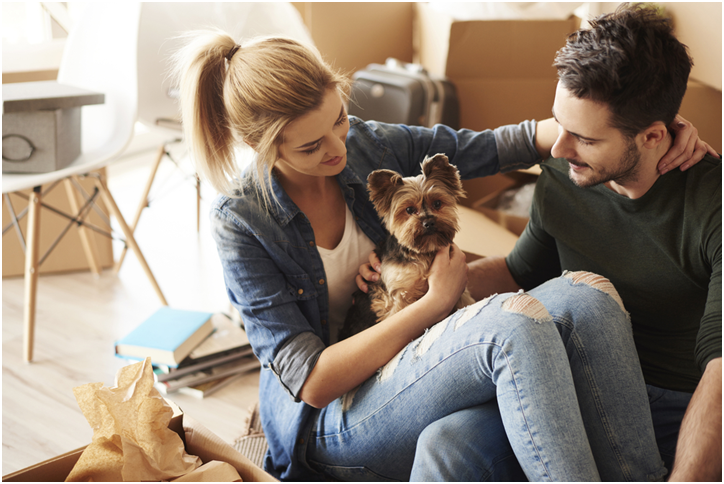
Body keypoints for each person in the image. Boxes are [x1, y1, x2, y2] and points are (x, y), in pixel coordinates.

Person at [173, 28, 708, 481]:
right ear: (265, 148)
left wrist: (653, 130)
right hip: (338, 416)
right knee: (512, 326)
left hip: (418, 361)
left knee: (584, 294)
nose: (338, 148)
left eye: (338, 119)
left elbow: (495, 145)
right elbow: (312, 383)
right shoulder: (243, 222)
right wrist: (433, 302)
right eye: (310, 147)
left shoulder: (364, 144)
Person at [399, 4, 721, 481]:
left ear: (654, 135)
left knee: (582, 301)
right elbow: (518, 272)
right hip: (572, 382)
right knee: (447, 444)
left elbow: (721, 368)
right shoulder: (563, 173)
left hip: (678, 404)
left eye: (584, 139)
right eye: (558, 124)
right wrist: (421, 284)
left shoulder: (711, 202)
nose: (557, 148)